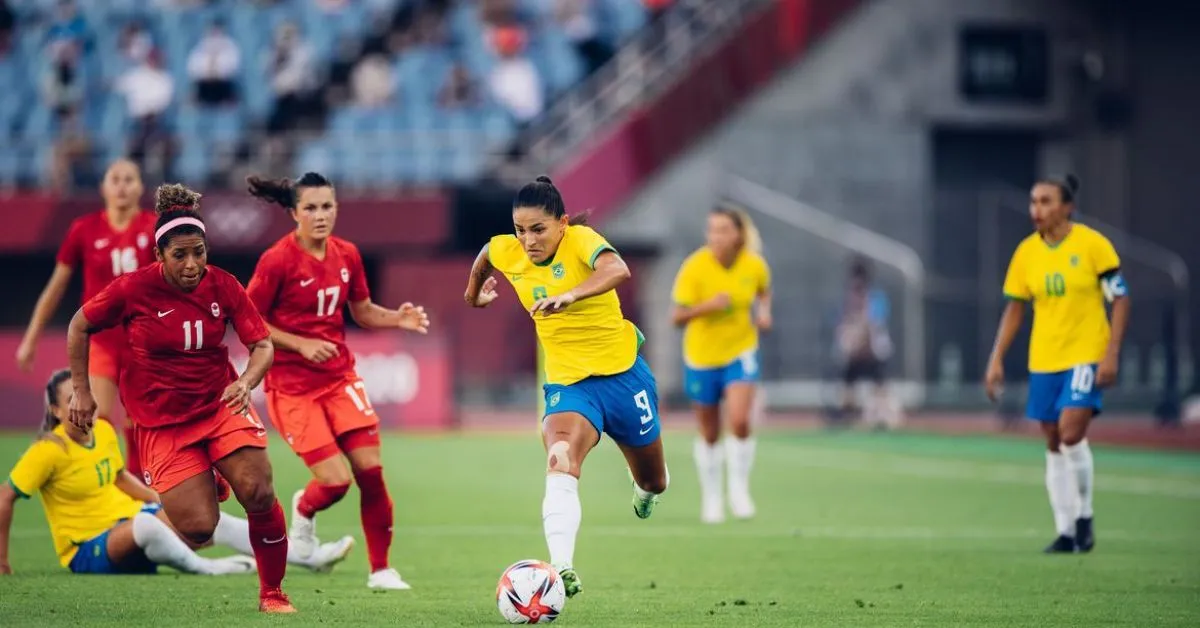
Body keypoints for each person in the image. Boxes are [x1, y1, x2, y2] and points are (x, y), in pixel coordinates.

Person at [65, 183, 295, 613]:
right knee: (198, 528)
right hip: (162, 424)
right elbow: (79, 325)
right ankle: (213, 475)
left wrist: (246, 382)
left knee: (259, 491)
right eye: (180, 255)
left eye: (200, 252)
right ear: (159, 256)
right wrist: (82, 391)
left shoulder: (223, 285)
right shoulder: (132, 289)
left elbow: (262, 345)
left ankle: (273, 593)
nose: (192, 265)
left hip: (219, 406)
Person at [463, 175, 669, 598]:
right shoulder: (508, 248)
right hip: (569, 384)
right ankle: (560, 568)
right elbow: (488, 253)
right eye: (520, 230)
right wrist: (473, 295)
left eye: (538, 229)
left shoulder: (582, 240)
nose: (528, 240)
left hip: (623, 376)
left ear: (562, 223)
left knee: (655, 482)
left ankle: (643, 490)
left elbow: (618, 268)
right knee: (559, 460)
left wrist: (571, 295)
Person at [244, 173, 429, 591]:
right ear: (293, 214)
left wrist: (397, 318)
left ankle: (381, 570)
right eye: (310, 207)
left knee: (371, 472)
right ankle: (304, 514)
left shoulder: (347, 254)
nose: (320, 215)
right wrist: (301, 344)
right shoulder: (277, 260)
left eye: (327, 206)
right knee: (335, 481)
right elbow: (249, 320)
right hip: (291, 388)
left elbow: (361, 311)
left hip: (339, 378)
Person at [0, 370, 356, 576]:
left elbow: (120, 477)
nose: (83, 407)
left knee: (215, 522)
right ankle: (208, 568)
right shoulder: (49, 449)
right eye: (71, 402)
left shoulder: (104, 432)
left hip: (131, 523)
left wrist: (158, 500)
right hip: (87, 549)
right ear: (55, 410)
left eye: (85, 398)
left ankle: (310, 558)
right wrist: (2, 561)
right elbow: (6, 496)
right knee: (147, 525)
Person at [985, 174, 1129, 554]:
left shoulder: (1093, 246)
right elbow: (1015, 309)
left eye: (1046, 201)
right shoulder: (1026, 253)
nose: (1037, 209)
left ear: (1068, 207)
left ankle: (1085, 515)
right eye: (1034, 202)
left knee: (1070, 433)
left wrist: (1112, 353)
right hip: (1045, 358)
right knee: (1051, 441)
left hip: (1086, 354)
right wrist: (996, 358)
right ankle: (1066, 531)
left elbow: (1121, 298)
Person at [17, 160, 154, 482]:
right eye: (115, 179)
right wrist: (31, 338)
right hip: (101, 339)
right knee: (99, 417)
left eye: (129, 179)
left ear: (140, 187)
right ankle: (110, 487)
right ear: (103, 187)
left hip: (143, 339)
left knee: (139, 421)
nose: (121, 186)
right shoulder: (84, 229)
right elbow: (56, 286)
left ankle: (139, 494)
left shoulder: (153, 226)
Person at [670, 205, 772, 524]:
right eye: (712, 229)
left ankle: (739, 490)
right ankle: (712, 497)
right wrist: (708, 306)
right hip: (701, 356)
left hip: (740, 351)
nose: (716, 236)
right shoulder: (695, 267)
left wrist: (764, 312)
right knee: (710, 432)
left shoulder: (753, 265)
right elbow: (676, 317)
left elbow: (763, 291)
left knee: (740, 421)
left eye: (723, 230)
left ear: (738, 234)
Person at [834, 258, 900, 430]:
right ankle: (848, 417)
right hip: (856, 352)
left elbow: (874, 326)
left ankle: (884, 418)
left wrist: (859, 336)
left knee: (880, 386)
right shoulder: (849, 300)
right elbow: (844, 326)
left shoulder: (875, 298)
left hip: (874, 352)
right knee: (848, 384)